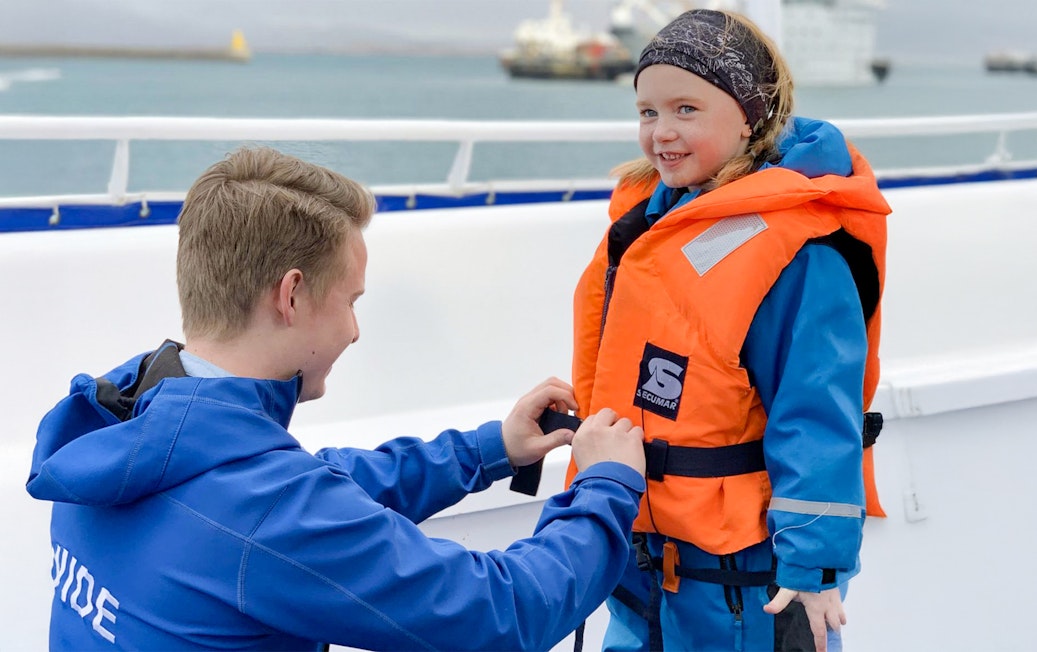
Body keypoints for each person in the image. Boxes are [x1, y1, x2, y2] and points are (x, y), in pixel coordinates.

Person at [26, 146, 648, 651]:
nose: (354, 330)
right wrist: (607, 485)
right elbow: (503, 613)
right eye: (350, 301)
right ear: (291, 295)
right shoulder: (265, 511)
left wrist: (490, 449)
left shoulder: (117, 423)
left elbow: (323, 485)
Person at [565, 9, 890, 652]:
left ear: (749, 115)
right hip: (637, 551)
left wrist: (814, 571)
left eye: (686, 109)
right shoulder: (645, 225)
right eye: (648, 112)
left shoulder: (800, 252)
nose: (661, 132)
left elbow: (817, 414)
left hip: (741, 580)